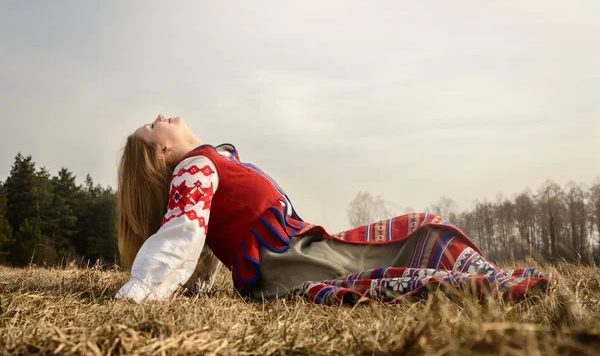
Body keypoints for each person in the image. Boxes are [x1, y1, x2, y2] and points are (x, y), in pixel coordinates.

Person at [115, 114, 550, 304]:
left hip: (302, 244)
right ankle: (482, 285)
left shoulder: (213, 161)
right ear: (163, 151)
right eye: (152, 127)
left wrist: (199, 287)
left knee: (424, 228)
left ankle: (483, 277)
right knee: (421, 238)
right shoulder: (194, 168)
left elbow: (207, 239)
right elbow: (184, 233)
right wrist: (142, 291)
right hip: (290, 260)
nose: (159, 116)